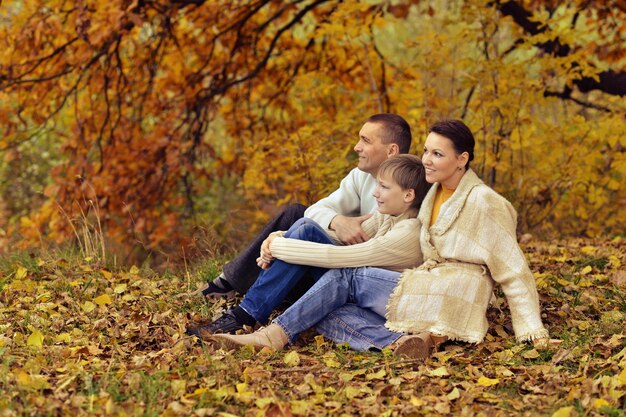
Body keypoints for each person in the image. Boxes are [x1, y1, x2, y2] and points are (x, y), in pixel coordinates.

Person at [207, 119, 550, 358]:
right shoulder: (432, 194)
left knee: (343, 277)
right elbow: (357, 230)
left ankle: (272, 335)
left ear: (462, 160)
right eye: (427, 151)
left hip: (454, 292)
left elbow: (513, 269)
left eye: (438, 154)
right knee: (323, 303)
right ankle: (397, 343)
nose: (427, 159)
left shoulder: (484, 201)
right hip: (424, 283)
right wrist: (281, 235)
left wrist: (531, 330)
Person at [186, 155, 430, 337]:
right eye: (377, 185)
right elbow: (331, 237)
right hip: (343, 283)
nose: (375, 193)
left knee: (305, 231)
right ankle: (244, 315)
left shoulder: (408, 232)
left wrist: (277, 245)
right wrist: (277, 236)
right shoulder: (385, 217)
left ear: (408, 196)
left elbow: (340, 258)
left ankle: (244, 316)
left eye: (384, 187)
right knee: (305, 225)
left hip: (358, 294)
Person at [202, 113, 413, 299]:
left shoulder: (409, 190)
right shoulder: (361, 176)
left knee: (301, 231)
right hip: (338, 262)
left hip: (360, 276)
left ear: (391, 150)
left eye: (365, 141)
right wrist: (337, 221)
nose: (356, 147)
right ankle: (232, 282)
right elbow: (315, 210)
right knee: (296, 213)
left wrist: (280, 240)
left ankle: (240, 292)